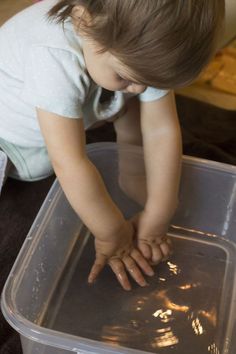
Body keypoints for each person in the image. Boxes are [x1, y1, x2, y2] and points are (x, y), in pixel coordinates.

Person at [0, 0, 225, 290]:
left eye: (149, 81)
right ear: (83, 22)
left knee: (132, 103)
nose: (142, 88)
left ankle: (130, 174)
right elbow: (69, 162)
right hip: (11, 135)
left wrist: (161, 209)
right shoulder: (52, 55)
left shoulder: (145, 45)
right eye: (126, 76)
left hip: (79, 105)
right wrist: (110, 231)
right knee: (39, 167)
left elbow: (161, 129)